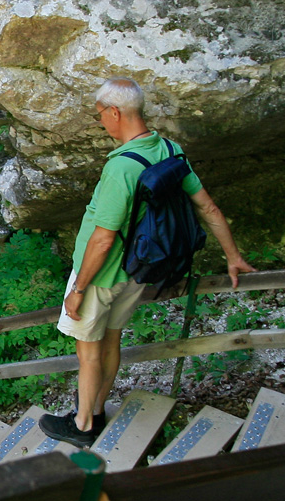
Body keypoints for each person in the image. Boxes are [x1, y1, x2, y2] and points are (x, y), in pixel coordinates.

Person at [38, 77, 256, 448]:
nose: (101, 123)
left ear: (115, 112)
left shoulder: (121, 168)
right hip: (138, 271)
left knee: (88, 352)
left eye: (99, 116)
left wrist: (78, 289)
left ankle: (83, 425)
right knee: (111, 341)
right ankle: (98, 408)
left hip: (101, 275)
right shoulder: (170, 150)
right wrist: (233, 257)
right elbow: (208, 207)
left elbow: (103, 237)